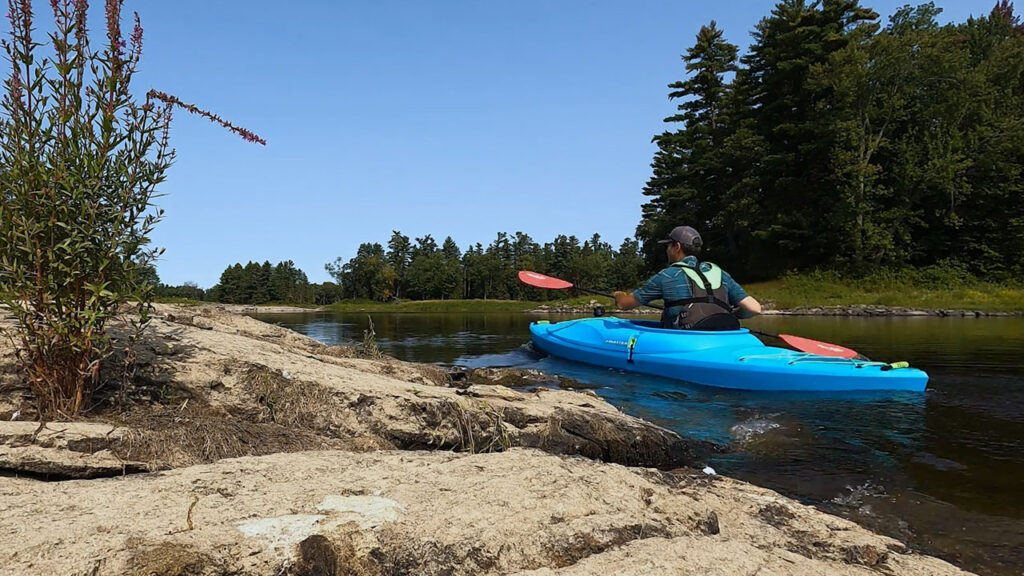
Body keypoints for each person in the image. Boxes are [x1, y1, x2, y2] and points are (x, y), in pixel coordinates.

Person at [614, 226, 761, 330]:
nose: (667, 250)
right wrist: (731, 314)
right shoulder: (719, 272)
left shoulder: (667, 275)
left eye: (668, 246)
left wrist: (619, 297)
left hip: (686, 339)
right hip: (725, 336)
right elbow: (754, 308)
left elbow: (625, 304)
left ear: (677, 247)